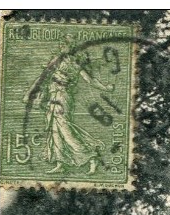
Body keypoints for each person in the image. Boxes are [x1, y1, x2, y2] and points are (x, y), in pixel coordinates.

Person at [28, 34, 113, 175]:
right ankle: (60, 163)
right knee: (54, 128)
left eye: (65, 45)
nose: (62, 47)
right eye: (62, 45)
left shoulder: (76, 63)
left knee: (64, 127)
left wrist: (106, 88)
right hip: (53, 95)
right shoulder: (57, 60)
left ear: (70, 47)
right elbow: (44, 77)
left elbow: (90, 80)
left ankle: (91, 156)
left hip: (63, 97)